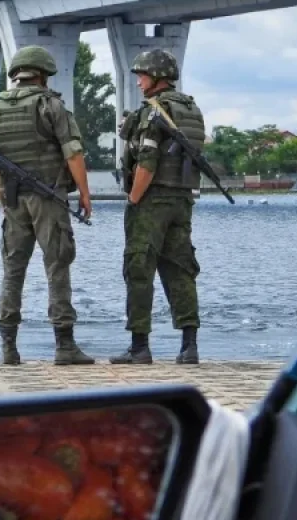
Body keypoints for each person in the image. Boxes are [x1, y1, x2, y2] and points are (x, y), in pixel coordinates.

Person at [0, 45, 95, 366]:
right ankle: (64, 346)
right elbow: (73, 152)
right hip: (48, 198)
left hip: (14, 199)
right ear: (42, 75)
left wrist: (4, 200)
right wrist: (85, 194)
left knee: (13, 270)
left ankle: (9, 348)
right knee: (57, 265)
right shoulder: (51, 104)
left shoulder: (0, 107)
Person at [110, 48, 206, 365]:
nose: (138, 82)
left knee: (139, 269)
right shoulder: (191, 110)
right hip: (183, 199)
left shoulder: (154, 112)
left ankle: (139, 347)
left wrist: (133, 199)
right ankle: (189, 347)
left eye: (142, 76)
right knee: (181, 270)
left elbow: (147, 163)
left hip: (152, 200)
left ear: (157, 77)